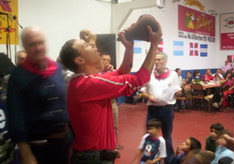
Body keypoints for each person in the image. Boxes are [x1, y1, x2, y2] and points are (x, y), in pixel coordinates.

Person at [60, 23, 162, 164]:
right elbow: (140, 79)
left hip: (93, 156)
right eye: (86, 46)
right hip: (93, 159)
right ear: (79, 60)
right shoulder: (89, 84)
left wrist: (129, 47)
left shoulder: (84, 81)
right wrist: (154, 44)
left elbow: (122, 72)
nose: (94, 46)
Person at [7, 27, 73, 164]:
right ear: (24, 46)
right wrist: (25, 152)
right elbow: (16, 116)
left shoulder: (57, 69)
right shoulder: (18, 76)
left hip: (63, 144)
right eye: (32, 44)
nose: (38, 48)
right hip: (38, 149)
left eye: (41, 42)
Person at [141, 52, 182, 164]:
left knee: (167, 136)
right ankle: (149, 159)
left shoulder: (173, 74)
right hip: (153, 109)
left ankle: (169, 161)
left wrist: (178, 92)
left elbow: (178, 90)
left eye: (159, 60)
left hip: (167, 109)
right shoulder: (149, 74)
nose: (157, 62)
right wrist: (149, 96)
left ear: (165, 61)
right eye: (155, 60)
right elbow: (142, 91)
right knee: (150, 135)